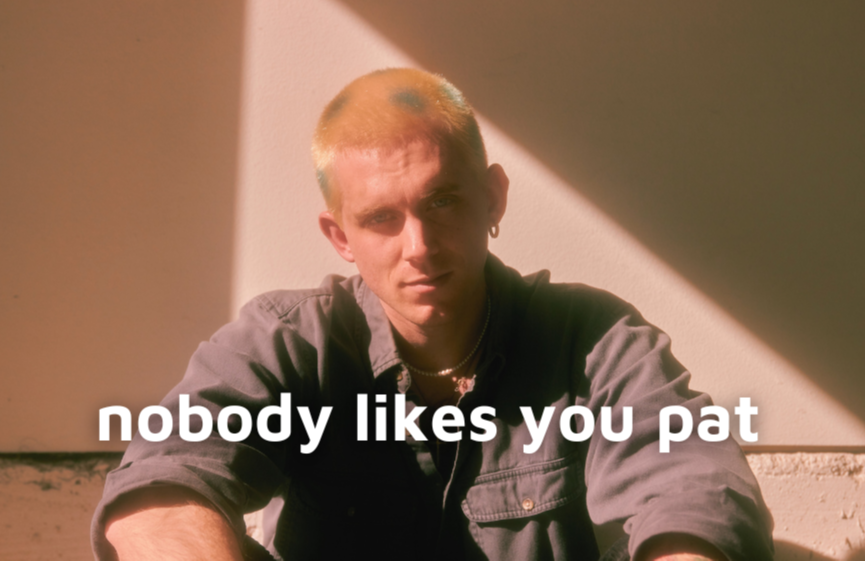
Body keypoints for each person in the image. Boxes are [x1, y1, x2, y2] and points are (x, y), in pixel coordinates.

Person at [92, 68, 774, 561]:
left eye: (442, 202)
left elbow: (693, 490)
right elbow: (161, 490)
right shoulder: (288, 340)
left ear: (493, 198)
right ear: (340, 237)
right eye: (380, 219)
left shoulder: (591, 338)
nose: (418, 246)